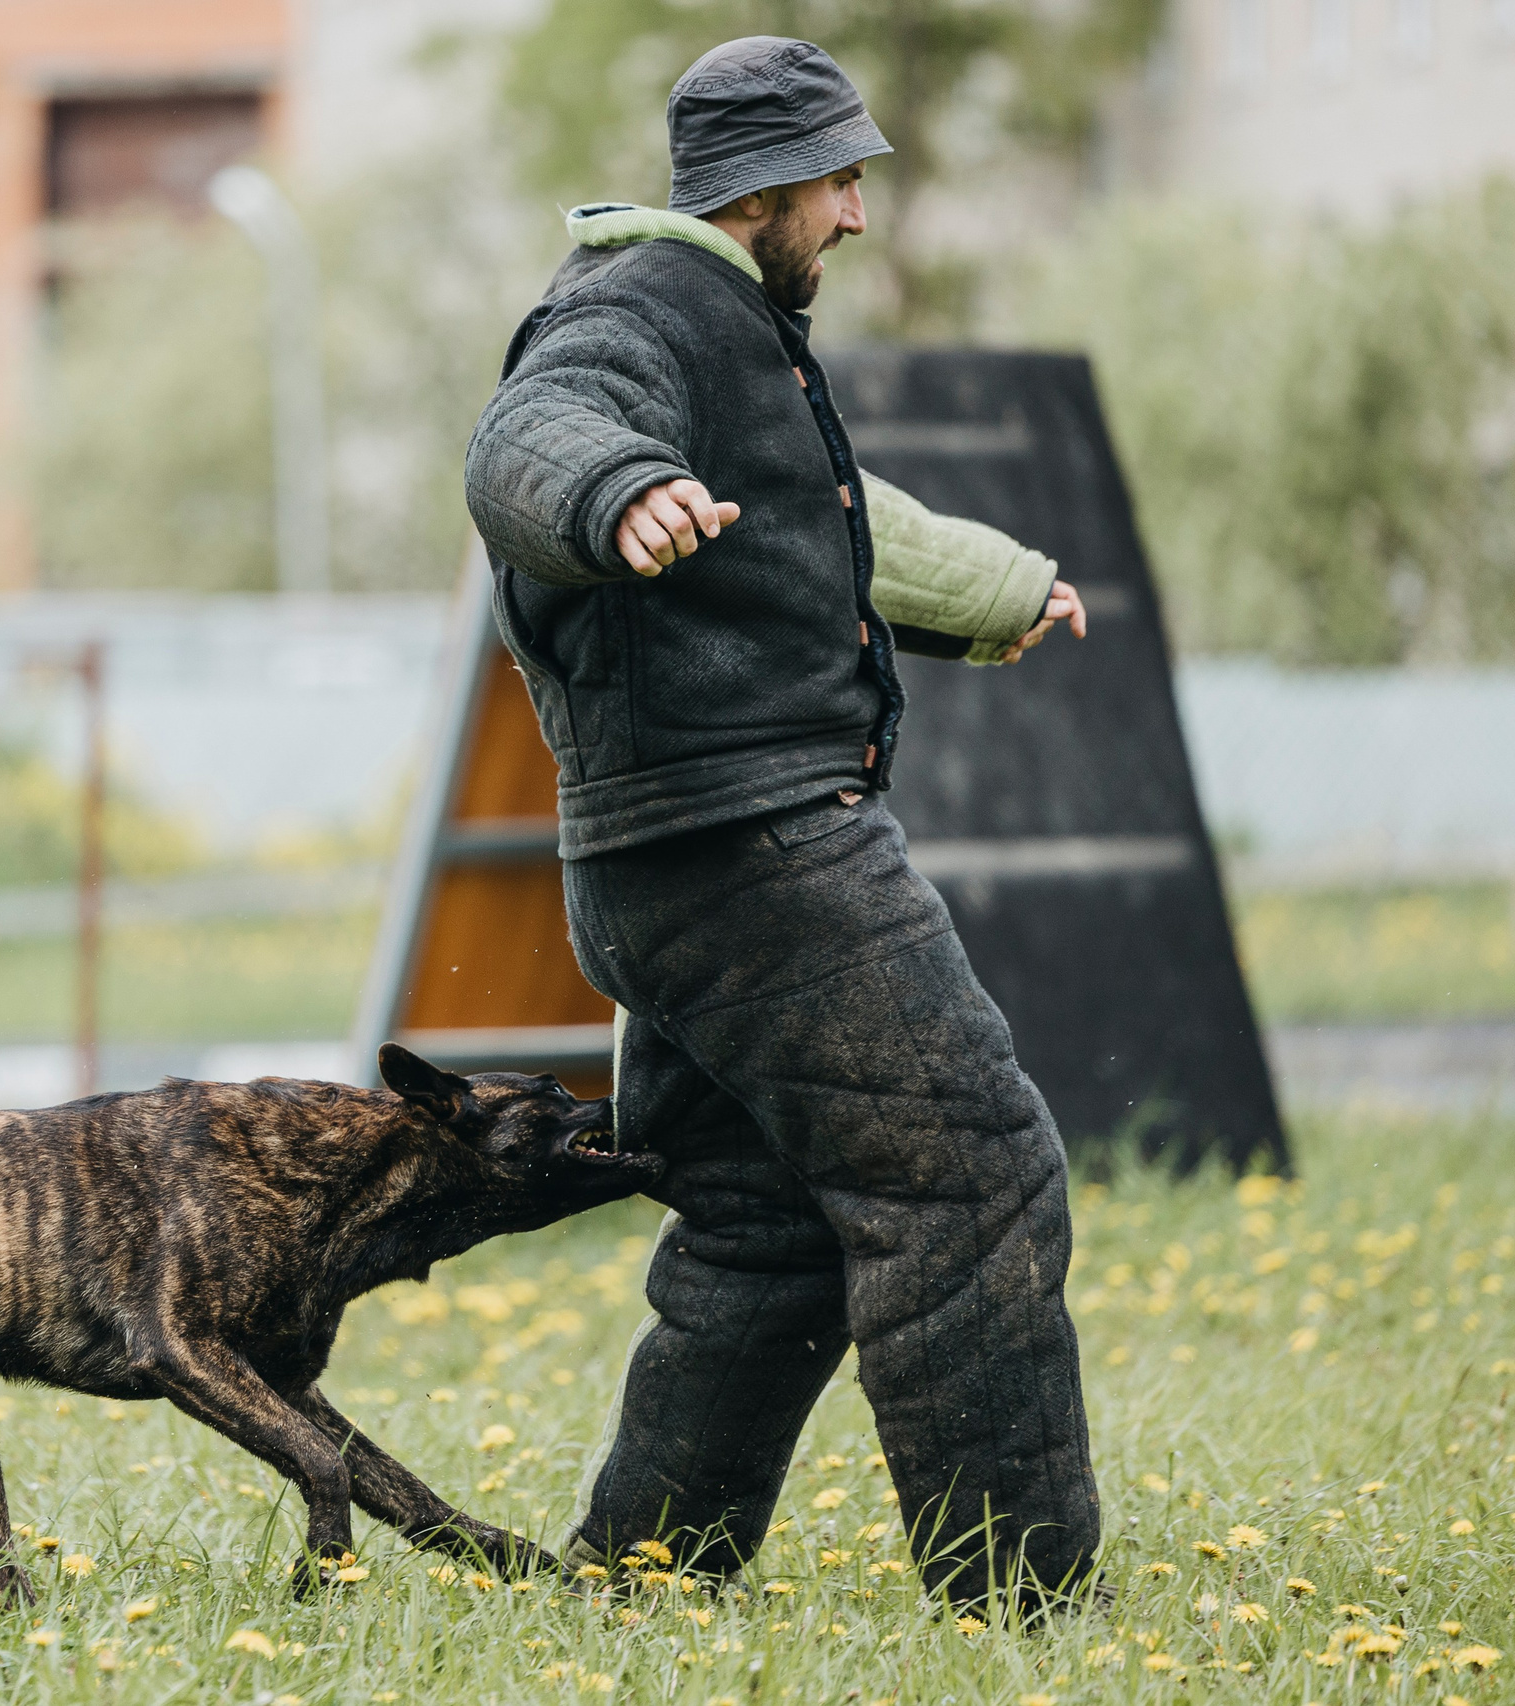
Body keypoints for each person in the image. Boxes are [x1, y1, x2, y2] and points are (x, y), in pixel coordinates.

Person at [462, 35, 1101, 1609]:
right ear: (765, 190)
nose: (859, 215)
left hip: (668, 862)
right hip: (757, 847)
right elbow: (518, 443)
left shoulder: (728, 330)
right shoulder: (631, 310)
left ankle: (643, 1582)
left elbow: (840, 516)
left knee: (766, 1226)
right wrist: (613, 487)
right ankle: (1025, 1603)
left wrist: (1003, 588)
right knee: (974, 1172)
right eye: (841, 181)